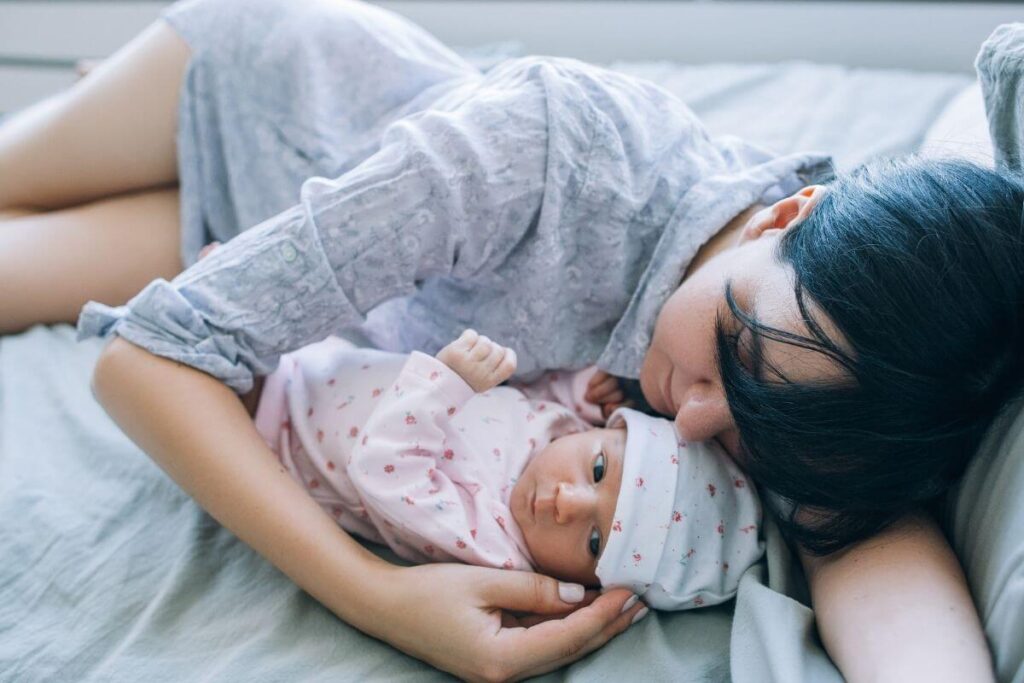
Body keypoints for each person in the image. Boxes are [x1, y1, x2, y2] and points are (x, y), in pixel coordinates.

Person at [0, 0, 1003, 679]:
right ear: (787, 212)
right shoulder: (551, 147)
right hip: (268, 96)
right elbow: (146, 362)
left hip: (291, 251)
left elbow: (867, 544)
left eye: (752, 424)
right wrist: (378, 595)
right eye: (731, 363)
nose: (695, 420)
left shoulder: (817, 356)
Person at [245, 325, 763, 603]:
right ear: (611, 429)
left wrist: (447, 384)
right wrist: (585, 389)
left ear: (590, 586)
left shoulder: (495, 545)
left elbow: (386, 472)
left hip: (277, 428)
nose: (567, 501)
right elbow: (533, 398)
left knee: (192, 350)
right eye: (599, 471)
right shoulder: (567, 430)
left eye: (595, 542)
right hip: (325, 356)